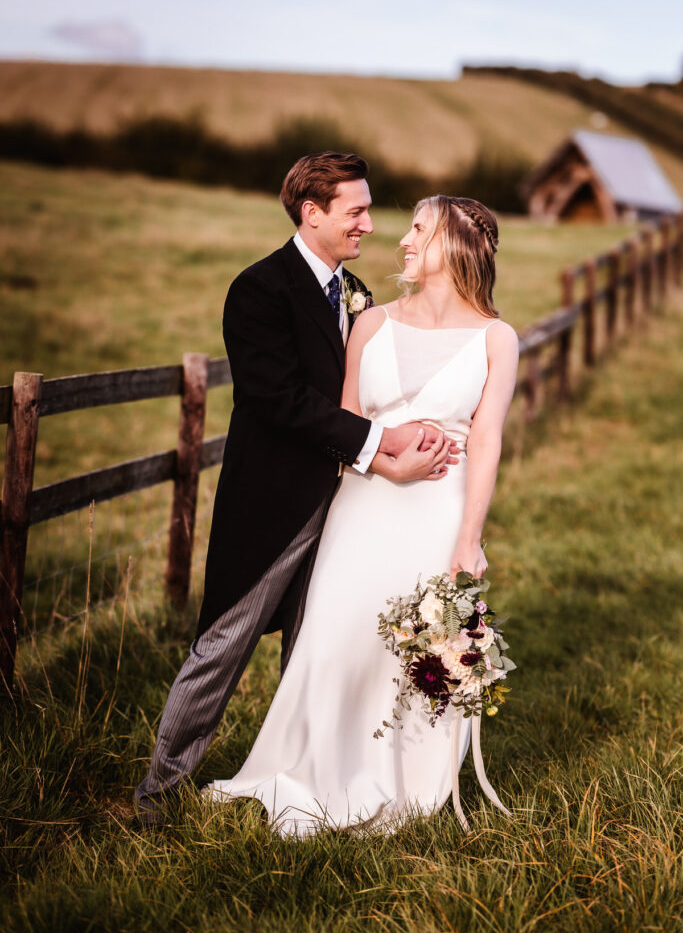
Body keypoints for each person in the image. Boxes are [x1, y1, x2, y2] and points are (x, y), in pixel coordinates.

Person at [135, 153, 454, 826]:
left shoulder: (355, 292)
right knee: (224, 644)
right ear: (312, 213)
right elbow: (276, 399)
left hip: (348, 506)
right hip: (273, 505)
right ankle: (158, 795)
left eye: (368, 210)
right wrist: (379, 448)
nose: (368, 223)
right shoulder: (259, 289)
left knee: (317, 645)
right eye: (355, 211)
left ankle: (305, 773)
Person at [202, 194, 519, 836]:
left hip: (438, 514)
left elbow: (486, 440)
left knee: (413, 649)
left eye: (418, 230)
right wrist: (386, 455)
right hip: (362, 506)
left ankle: (414, 782)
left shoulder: (496, 338)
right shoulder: (370, 323)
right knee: (339, 641)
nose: (401, 240)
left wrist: (470, 538)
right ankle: (313, 766)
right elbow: (344, 425)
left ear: (455, 245)